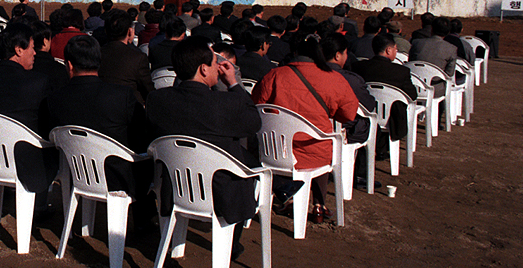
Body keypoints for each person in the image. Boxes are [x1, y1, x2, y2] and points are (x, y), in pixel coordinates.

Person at [146, 36, 263, 256]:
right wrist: (234, 84)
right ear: (203, 69)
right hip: (222, 190)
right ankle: (232, 244)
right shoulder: (226, 103)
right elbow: (253, 123)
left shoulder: (157, 100)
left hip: (176, 184)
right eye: (213, 64)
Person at [252, 36, 359, 222]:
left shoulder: (275, 74)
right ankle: (319, 204)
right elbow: (349, 114)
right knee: (324, 144)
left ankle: (289, 198)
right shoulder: (334, 78)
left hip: (276, 150)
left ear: (294, 54)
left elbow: (256, 105)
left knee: (316, 147)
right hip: (315, 150)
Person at [45, 35, 150, 206]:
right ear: (99, 62)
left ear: (69, 65)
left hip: (76, 174)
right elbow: (142, 133)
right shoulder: (121, 95)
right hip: (120, 178)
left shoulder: (54, 99)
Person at [0, 21, 56, 205]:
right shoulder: (38, 82)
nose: (35, 53)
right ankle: (40, 205)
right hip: (30, 164)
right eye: (32, 48)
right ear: (19, 50)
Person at [354, 33, 419, 153]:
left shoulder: (358, 67)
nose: (396, 51)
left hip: (365, 115)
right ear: (388, 50)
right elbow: (413, 96)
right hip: (390, 120)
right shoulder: (401, 71)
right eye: (395, 48)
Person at [99, 11, 154, 105]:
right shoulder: (138, 58)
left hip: (101, 105)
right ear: (130, 31)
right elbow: (148, 89)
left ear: (106, 31)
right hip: (129, 108)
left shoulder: (96, 54)